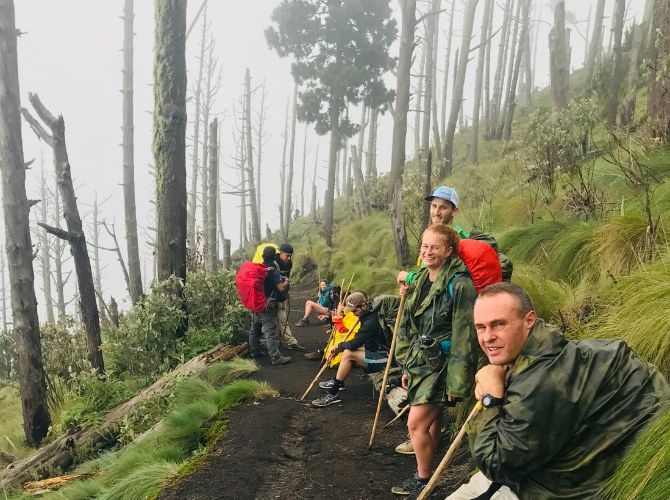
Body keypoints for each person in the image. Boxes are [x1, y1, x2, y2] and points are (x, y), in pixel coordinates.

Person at [447, 282, 670, 499]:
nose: (487, 337)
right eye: (481, 327)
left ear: (529, 320)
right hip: (568, 464)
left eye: (499, 324)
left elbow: (497, 465)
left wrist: (491, 400)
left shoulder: (538, 382)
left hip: (554, 489)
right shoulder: (558, 350)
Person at [390, 223, 478, 497]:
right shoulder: (419, 281)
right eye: (425, 246)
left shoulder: (460, 284)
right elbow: (409, 324)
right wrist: (406, 364)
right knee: (431, 420)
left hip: (444, 364)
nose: (428, 252)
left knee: (414, 424)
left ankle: (423, 478)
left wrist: (457, 383)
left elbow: (466, 335)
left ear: (449, 251)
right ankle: (427, 470)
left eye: (435, 247)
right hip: (421, 361)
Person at [311, 291, 389, 407]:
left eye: (355, 311)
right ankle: (339, 381)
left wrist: (339, 346)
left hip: (384, 360)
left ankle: (333, 392)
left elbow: (355, 343)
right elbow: (358, 341)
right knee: (348, 351)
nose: (353, 313)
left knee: (348, 353)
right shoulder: (366, 314)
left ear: (363, 305)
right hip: (375, 351)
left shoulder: (371, 320)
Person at [248, 246, 291, 365]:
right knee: (270, 330)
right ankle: (275, 357)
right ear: (274, 257)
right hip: (267, 304)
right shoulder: (273, 270)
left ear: (262, 256)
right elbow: (281, 288)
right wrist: (286, 282)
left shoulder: (258, 268)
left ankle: (255, 352)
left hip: (256, 302)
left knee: (255, 327)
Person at [274, 243, 306, 351]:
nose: (289, 258)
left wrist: (286, 292)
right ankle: (287, 341)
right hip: (272, 296)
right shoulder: (273, 262)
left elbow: (287, 278)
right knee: (277, 320)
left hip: (282, 294)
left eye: (290, 256)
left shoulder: (289, 263)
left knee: (282, 318)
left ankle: (286, 341)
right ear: (280, 253)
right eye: (287, 255)